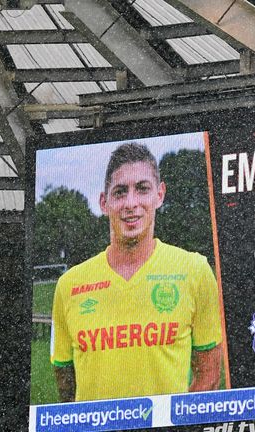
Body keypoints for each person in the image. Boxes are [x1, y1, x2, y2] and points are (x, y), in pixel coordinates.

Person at [50, 143, 224, 402]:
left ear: (160, 194)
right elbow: (65, 383)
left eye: (142, 189)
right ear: (104, 202)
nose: (131, 203)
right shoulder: (69, 285)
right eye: (120, 192)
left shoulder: (194, 271)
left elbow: (209, 374)